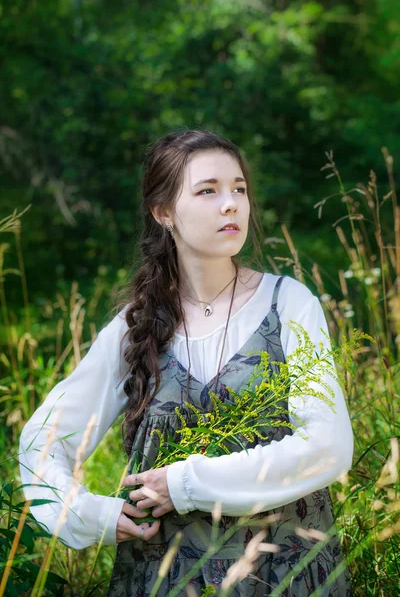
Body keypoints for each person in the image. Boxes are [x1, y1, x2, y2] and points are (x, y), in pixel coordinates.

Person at [19, 129, 354, 596]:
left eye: (239, 188)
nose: (231, 203)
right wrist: (93, 514)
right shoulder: (134, 327)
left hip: (285, 578)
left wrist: (185, 483)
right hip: (164, 582)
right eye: (208, 191)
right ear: (164, 213)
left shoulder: (288, 304)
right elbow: (41, 443)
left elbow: (329, 445)